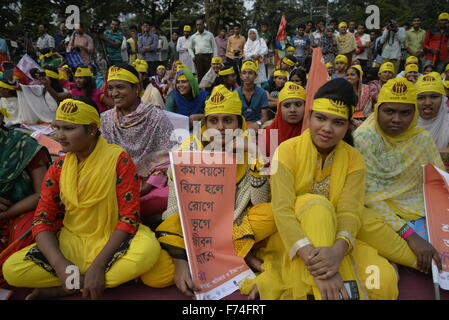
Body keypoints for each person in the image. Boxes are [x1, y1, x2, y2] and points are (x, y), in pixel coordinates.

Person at [241, 78, 399, 300]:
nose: (327, 128)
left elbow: (349, 212)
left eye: (337, 122)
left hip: (337, 240)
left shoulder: (354, 158)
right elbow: (283, 211)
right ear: (310, 117)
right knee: (316, 206)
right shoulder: (286, 151)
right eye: (321, 118)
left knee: (384, 282)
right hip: (294, 238)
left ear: (348, 126)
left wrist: (336, 252)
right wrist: (324, 273)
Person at [3, 96, 161, 299]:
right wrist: (60, 264)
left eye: (69, 128)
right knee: (13, 270)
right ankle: (87, 281)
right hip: (72, 241)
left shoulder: (118, 159)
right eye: (57, 127)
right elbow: (42, 219)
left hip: (112, 238)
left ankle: (67, 287)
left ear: (92, 129)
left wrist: (99, 264)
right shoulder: (58, 168)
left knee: (146, 252)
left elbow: (129, 217)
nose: (60, 135)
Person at [140, 85, 275, 295]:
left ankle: (234, 252)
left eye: (228, 120)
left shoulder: (250, 149)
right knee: (154, 277)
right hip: (196, 235)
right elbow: (175, 212)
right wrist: (180, 262)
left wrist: (257, 165)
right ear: (205, 123)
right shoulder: (186, 152)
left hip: (235, 226)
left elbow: (258, 204)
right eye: (214, 120)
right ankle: (237, 256)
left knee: (270, 213)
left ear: (239, 123)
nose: (220, 127)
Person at [354, 77, 444, 275]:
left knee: (439, 260)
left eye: (405, 113)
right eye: (389, 111)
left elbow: (438, 182)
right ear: (378, 110)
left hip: (419, 212)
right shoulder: (365, 138)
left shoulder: (421, 139)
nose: (396, 119)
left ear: (414, 114)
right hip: (377, 216)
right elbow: (369, 197)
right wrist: (409, 234)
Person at [101, 63, 174, 219]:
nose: (114, 93)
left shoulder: (155, 116)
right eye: (110, 88)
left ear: (136, 88)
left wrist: (142, 189)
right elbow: (102, 159)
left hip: (149, 185)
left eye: (120, 87)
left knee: (169, 196)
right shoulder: (105, 119)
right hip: (115, 182)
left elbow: (166, 161)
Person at [0, 109, 52, 254]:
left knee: (23, 247)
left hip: (21, 210)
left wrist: (5, 214)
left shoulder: (23, 145)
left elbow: (42, 194)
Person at [262, 81, 306, 157]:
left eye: (298, 104)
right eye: (287, 105)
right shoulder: (267, 134)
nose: (292, 109)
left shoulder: (312, 133)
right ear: (279, 109)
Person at [416, 72, 449, 170]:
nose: (427, 103)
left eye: (434, 97)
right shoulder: (404, 124)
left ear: (443, 99)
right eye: (421, 98)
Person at [237, 60, 269, 126]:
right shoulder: (235, 93)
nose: (247, 76)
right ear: (241, 76)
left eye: (250, 73)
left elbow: (265, 117)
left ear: (255, 76)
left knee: (272, 131)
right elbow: (233, 116)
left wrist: (257, 123)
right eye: (244, 73)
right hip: (240, 125)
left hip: (257, 124)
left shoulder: (262, 93)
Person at [188, 19, 217, 83]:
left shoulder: (210, 35)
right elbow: (189, 48)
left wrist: (215, 57)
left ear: (204, 25)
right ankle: (201, 91)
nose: (198, 26)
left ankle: (209, 90)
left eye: (200, 24)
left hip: (208, 57)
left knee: (209, 74)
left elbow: (214, 47)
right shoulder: (193, 36)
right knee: (200, 74)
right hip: (198, 57)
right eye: (197, 25)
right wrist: (193, 56)